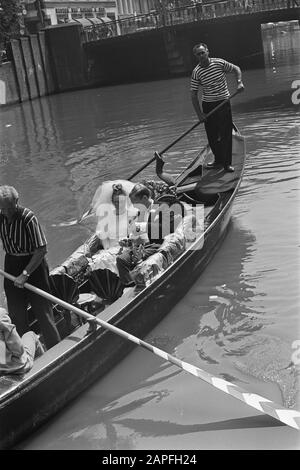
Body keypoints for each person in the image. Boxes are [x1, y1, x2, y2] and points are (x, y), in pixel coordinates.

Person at [0, 186, 61, 350]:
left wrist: (25, 274)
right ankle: (27, 353)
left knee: (43, 312)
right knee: (16, 315)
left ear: (16, 202)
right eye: (2, 208)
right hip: (11, 264)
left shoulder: (28, 217)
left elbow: (42, 249)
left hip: (33, 266)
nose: (6, 212)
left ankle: (55, 350)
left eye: (9, 207)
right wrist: (17, 275)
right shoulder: (1, 216)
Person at [190, 42, 244, 173]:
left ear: (208, 52)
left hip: (223, 102)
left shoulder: (219, 63)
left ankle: (227, 164)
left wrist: (239, 82)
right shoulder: (197, 72)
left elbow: (236, 68)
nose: (201, 55)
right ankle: (218, 160)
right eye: (198, 54)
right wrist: (200, 115)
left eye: (203, 52)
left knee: (226, 134)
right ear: (196, 57)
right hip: (208, 105)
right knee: (212, 136)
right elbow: (193, 94)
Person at [116, 183, 180, 287]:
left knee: (139, 257)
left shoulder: (163, 207)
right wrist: (128, 241)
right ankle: (129, 285)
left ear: (145, 198)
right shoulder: (140, 212)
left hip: (159, 244)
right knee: (121, 259)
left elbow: (168, 229)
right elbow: (136, 234)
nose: (134, 206)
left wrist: (145, 226)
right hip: (143, 245)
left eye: (136, 203)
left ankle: (140, 283)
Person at [0, 307, 44, 374]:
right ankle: (45, 372)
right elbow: (19, 351)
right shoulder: (1, 315)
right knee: (30, 335)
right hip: (16, 367)